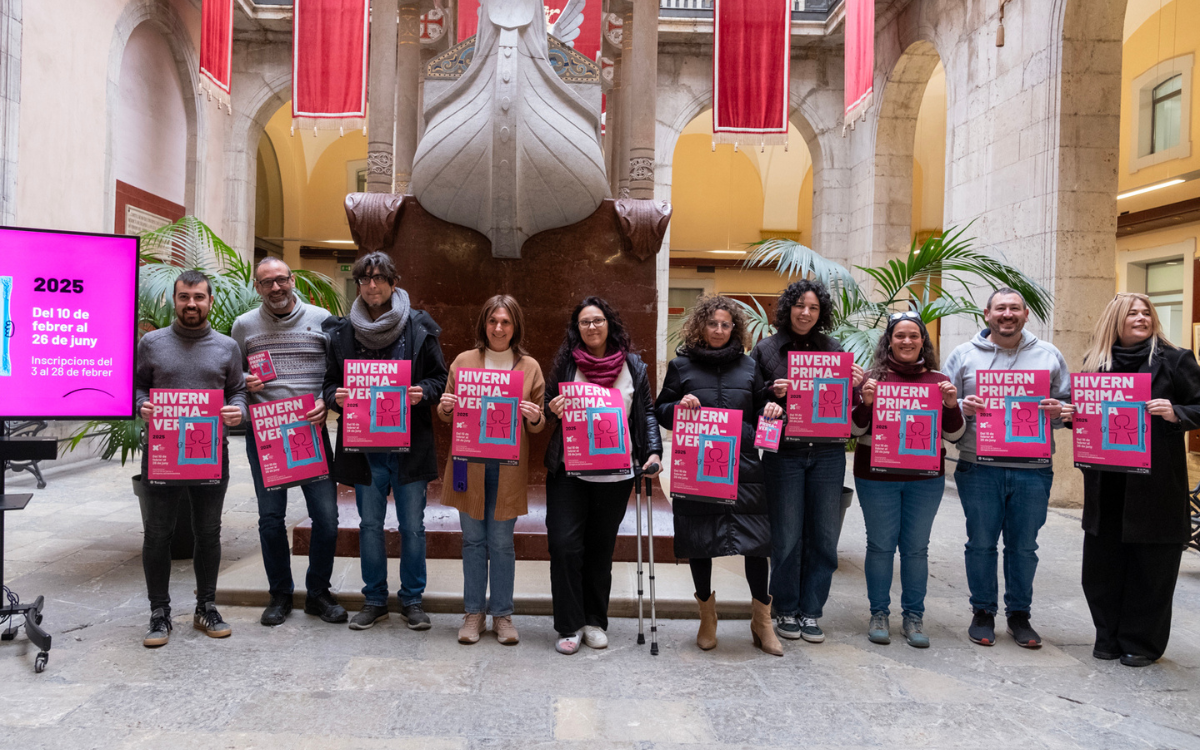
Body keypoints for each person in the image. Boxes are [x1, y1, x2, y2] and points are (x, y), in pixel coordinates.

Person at [323, 252, 448, 631]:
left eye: (379, 278)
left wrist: (420, 393)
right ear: (358, 285)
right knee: (369, 526)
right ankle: (374, 599)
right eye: (364, 279)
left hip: (408, 447)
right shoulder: (342, 331)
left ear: (393, 283)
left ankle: (412, 600)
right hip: (365, 450)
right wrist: (335, 398)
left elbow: (440, 381)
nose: (372, 285)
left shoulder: (420, 326)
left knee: (412, 527)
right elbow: (328, 384)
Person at [654, 296, 784, 655]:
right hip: (698, 469)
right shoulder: (681, 366)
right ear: (700, 326)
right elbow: (661, 410)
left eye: (726, 324)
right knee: (700, 540)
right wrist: (678, 406)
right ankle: (707, 617)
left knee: (757, 544)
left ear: (734, 329)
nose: (719, 330)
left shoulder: (749, 366)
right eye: (713, 324)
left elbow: (761, 413)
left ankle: (762, 621)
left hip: (745, 468)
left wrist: (773, 410)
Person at [1076, 293, 1200, 667]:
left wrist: (1175, 412)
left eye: (1147, 312)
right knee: (1101, 566)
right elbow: (1088, 416)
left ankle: (1141, 643)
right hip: (1107, 483)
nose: (1142, 318)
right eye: (1133, 312)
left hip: (1156, 484)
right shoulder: (1096, 363)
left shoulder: (1176, 359)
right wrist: (1070, 414)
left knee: (1152, 567)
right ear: (1116, 318)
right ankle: (1107, 637)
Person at [943, 288, 1070, 648]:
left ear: (1026, 315)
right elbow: (944, 410)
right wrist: (962, 409)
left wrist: (1057, 413)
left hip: (1033, 468)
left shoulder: (1049, 356)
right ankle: (982, 612)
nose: (1008, 314)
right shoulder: (964, 356)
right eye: (1001, 308)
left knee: (1024, 546)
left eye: (1015, 308)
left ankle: (1019, 616)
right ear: (987, 314)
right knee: (981, 543)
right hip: (978, 466)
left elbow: (1069, 410)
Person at [543, 297, 662, 655]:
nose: (591, 327)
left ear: (609, 323)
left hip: (616, 474)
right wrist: (553, 408)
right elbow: (549, 404)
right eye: (584, 322)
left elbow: (647, 413)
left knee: (599, 549)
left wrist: (654, 450)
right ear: (576, 329)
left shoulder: (633, 366)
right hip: (569, 470)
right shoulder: (567, 362)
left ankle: (594, 621)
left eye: (597, 320)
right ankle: (568, 624)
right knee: (564, 546)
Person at [230, 258, 346, 627]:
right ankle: (280, 594)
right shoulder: (244, 326)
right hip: (265, 435)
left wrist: (324, 402)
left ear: (292, 280)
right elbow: (231, 377)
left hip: (309, 432)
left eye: (281, 280)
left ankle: (318, 593)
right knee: (270, 518)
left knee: (326, 518)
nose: (276, 288)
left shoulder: (323, 319)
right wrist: (244, 381)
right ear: (257, 287)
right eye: (267, 283)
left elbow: (337, 375)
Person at [135, 270, 247, 647]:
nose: (192, 304)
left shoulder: (227, 346)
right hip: (163, 453)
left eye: (199, 297)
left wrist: (237, 411)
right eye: (184, 297)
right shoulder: (151, 343)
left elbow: (238, 391)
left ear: (210, 301)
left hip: (210, 455)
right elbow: (136, 387)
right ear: (174, 300)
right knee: (157, 534)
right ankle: (159, 612)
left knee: (208, 532)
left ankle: (206, 606)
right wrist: (142, 405)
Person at [750, 279, 862, 643]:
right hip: (784, 453)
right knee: (786, 536)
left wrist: (857, 385)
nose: (806, 313)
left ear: (821, 312)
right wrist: (771, 393)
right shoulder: (766, 349)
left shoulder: (834, 349)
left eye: (813, 307)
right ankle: (784, 607)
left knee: (825, 536)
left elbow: (850, 406)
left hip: (828, 453)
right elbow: (751, 400)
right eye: (800, 306)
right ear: (788, 308)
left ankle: (812, 611)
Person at [438, 295, 546, 645]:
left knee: (501, 543)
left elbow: (539, 421)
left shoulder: (529, 366)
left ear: (515, 327)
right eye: (493, 321)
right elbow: (446, 412)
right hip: (469, 465)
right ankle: (473, 613)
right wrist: (445, 406)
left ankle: (502, 615)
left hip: (508, 467)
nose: (499, 328)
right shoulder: (464, 361)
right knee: (472, 541)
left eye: (506, 322)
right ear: (484, 324)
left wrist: (534, 416)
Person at [852, 312, 964, 648]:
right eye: (900, 335)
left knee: (916, 550)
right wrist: (866, 403)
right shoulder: (871, 379)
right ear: (889, 340)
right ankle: (879, 613)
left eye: (914, 336)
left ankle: (914, 616)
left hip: (924, 479)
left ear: (923, 342)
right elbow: (854, 431)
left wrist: (951, 404)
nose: (907, 341)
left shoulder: (939, 380)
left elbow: (955, 434)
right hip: (876, 477)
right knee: (880, 546)